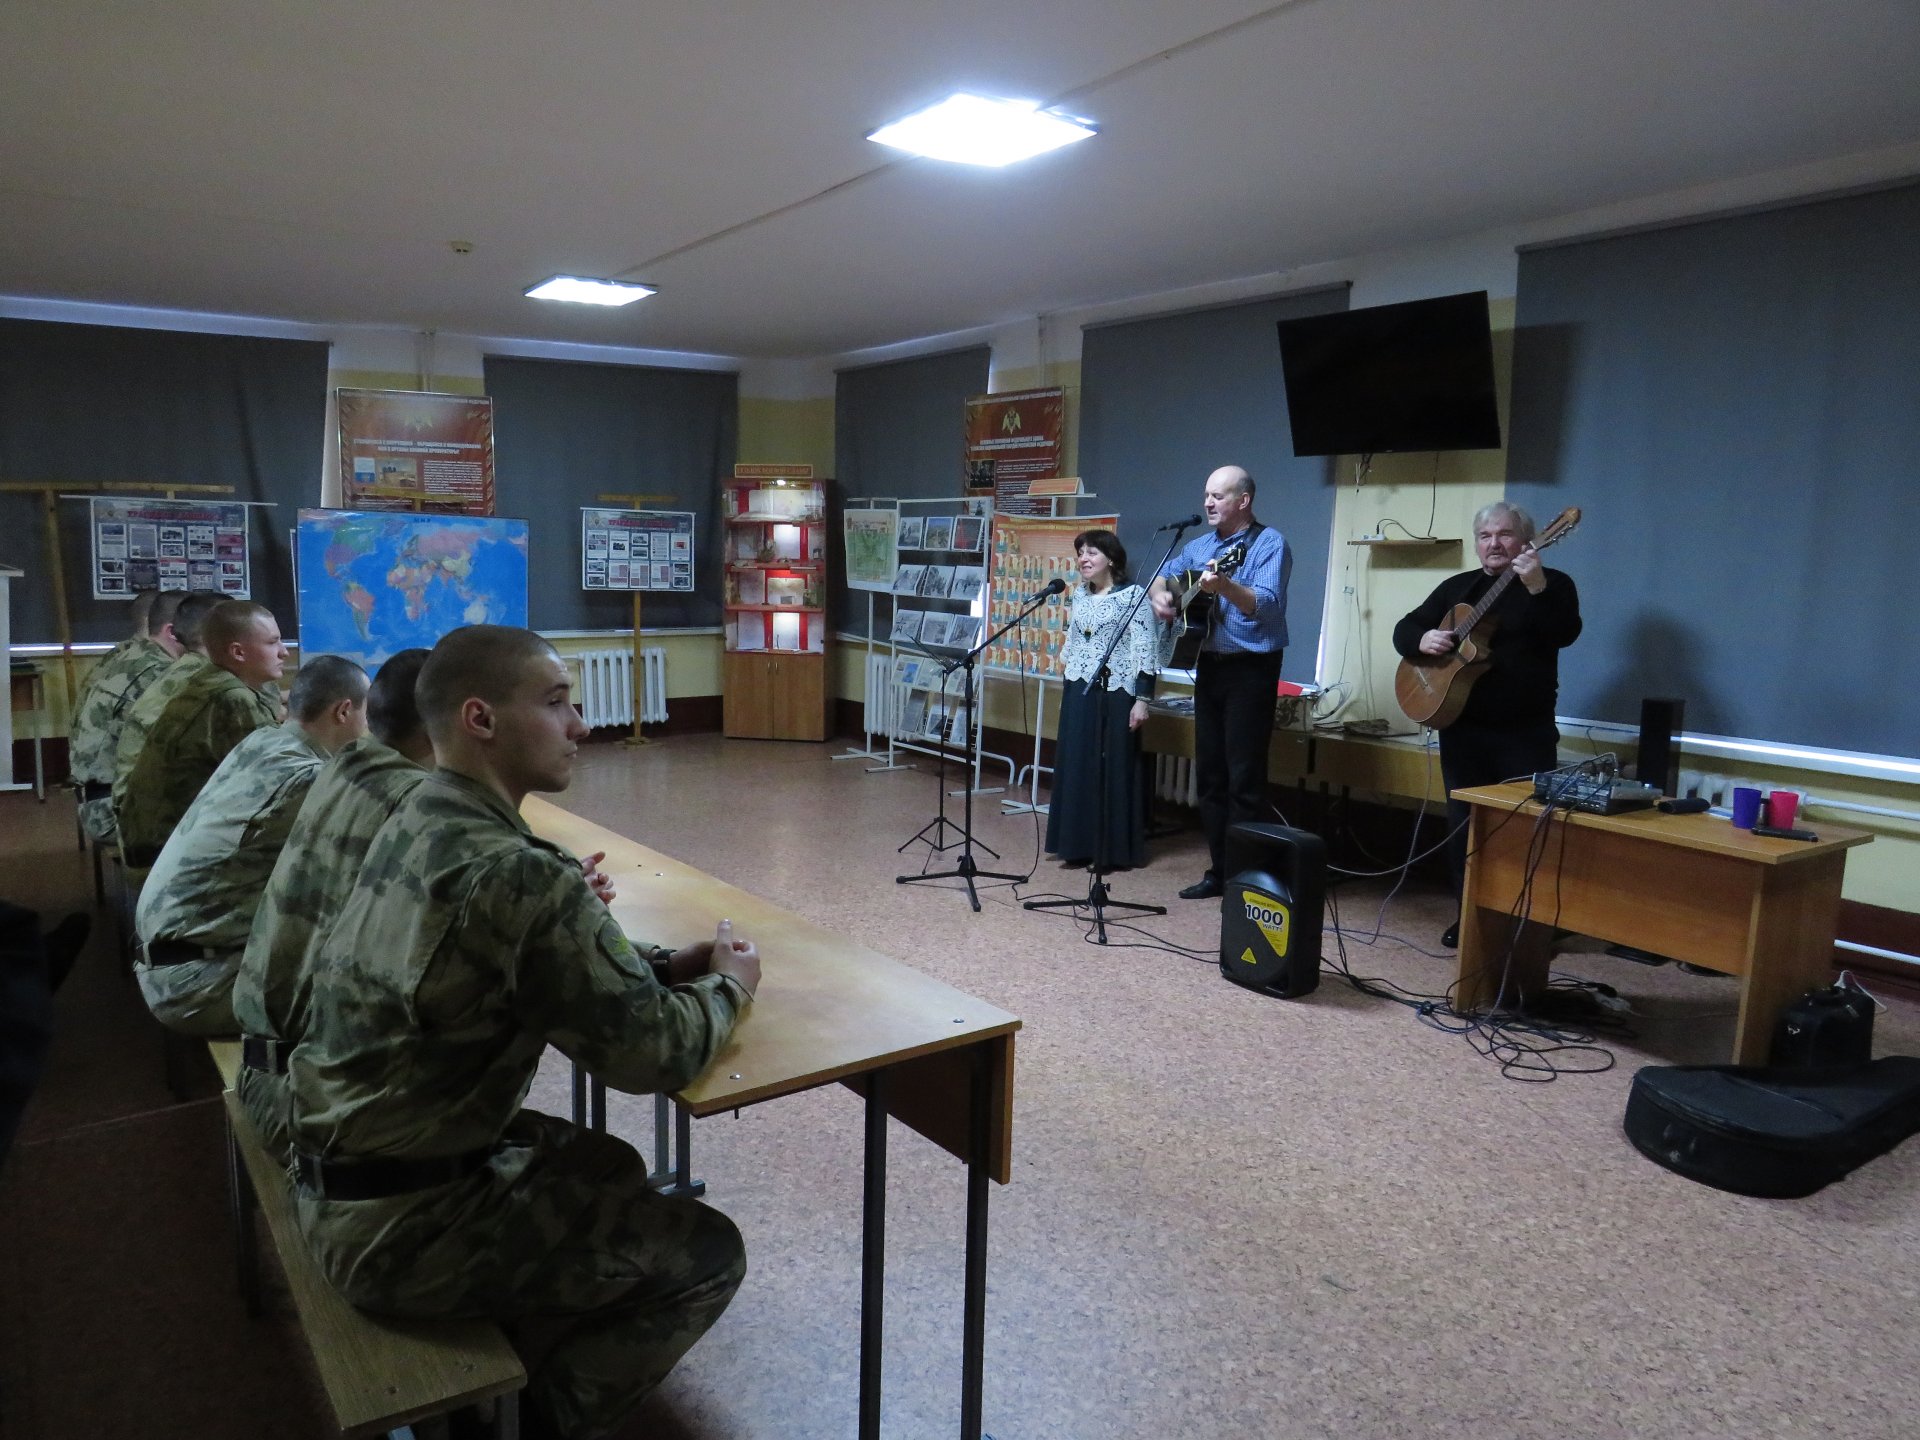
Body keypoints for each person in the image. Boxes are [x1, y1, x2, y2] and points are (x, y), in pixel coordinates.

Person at [287, 626, 759, 1440]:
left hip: (338, 1162)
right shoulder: (518, 869)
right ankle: (536, 1426)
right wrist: (728, 985)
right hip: (400, 1228)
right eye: (556, 703)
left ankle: (521, 1342)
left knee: (609, 1164)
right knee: (709, 1255)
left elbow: (526, 953)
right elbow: (653, 1055)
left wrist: (653, 965)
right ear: (480, 719)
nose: (580, 725)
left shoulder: (419, 811)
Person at [231, 648, 438, 1158]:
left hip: (267, 1063)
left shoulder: (342, 767)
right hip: (311, 1104)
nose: (577, 726)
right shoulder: (418, 806)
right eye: (553, 703)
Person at [132, 655, 369, 1035]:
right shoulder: (307, 780)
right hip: (200, 984)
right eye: (366, 714)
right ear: (343, 712)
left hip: (170, 960)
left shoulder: (262, 743)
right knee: (387, 988)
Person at [1391, 501, 1583, 947]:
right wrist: (1422, 638)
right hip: (1462, 728)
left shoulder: (1553, 584)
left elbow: (1565, 633)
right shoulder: (1458, 587)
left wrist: (1536, 587)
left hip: (1524, 733)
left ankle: (1525, 925)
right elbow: (1405, 629)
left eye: (1505, 534)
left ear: (1528, 540)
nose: (1494, 543)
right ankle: (1470, 917)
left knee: (1523, 829)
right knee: (1464, 827)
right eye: (1485, 536)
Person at [1149, 465, 1293, 899]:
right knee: (1210, 775)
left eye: (1218, 496)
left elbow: (1265, 606)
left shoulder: (1269, 543)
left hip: (1251, 669)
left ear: (1243, 501)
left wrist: (1225, 586)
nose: (1208, 503)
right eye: (1206, 495)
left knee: (1244, 778)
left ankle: (1247, 878)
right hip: (1208, 665)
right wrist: (1161, 594)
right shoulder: (1199, 546)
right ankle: (1220, 870)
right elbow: (1164, 574)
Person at [112, 598, 285, 866]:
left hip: (154, 838)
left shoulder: (211, 680)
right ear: (238, 653)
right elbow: (276, 783)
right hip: (165, 854)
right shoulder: (231, 698)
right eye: (273, 643)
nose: (284, 653)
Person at [1045, 529, 1161, 869]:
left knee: (1110, 768)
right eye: (1080, 552)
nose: (1083, 558)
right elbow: (1073, 641)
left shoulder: (1133, 596)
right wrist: (1067, 681)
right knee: (1078, 764)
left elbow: (1145, 649)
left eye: (1091, 552)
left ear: (1111, 558)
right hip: (1079, 689)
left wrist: (1142, 700)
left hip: (1117, 692)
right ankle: (1076, 845)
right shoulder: (1079, 595)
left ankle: (1110, 851)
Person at [69, 589, 188, 841]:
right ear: (173, 631)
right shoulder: (157, 672)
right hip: (111, 807)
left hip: (98, 796)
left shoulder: (131, 655)